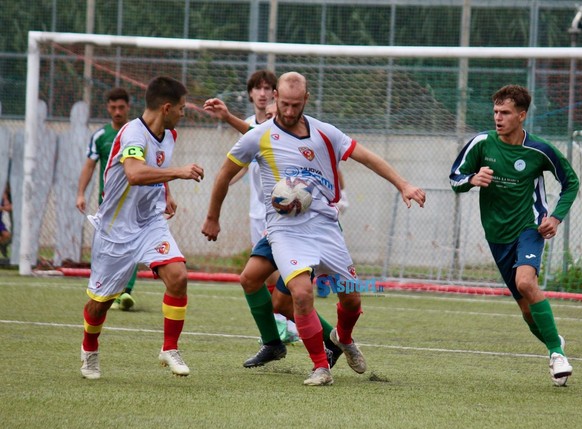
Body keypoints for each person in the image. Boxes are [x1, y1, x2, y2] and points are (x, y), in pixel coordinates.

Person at [202, 71, 426, 386]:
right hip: (284, 229)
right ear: (276, 99)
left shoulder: (326, 133)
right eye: (285, 104)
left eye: (296, 105)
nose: (290, 111)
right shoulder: (258, 135)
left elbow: (366, 157)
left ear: (306, 100)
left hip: (324, 225)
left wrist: (403, 184)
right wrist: (213, 217)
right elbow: (224, 175)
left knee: (351, 297)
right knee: (301, 294)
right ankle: (320, 366)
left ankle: (343, 337)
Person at [449, 84, 579, 386]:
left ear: (521, 116)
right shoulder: (481, 143)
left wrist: (556, 218)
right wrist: (472, 179)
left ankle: (557, 354)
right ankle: (552, 339)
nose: (498, 117)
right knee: (526, 309)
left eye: (505, 112)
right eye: (495, 111)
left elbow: (570, 182)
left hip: (529, 227)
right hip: (497, 236)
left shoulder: (539, 150)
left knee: (525, 282)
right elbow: (454, 179)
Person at [79, 76, 205, 380]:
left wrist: (167, 193)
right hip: (115, 230)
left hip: (150, 222)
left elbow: (154, 168)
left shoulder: (169, 134)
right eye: (181, 108)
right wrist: (179, 173)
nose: (184, 113)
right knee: (100, 304)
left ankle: (169, 347)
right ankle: (89, 349)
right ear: (166, 107)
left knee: (178, 276)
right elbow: (134, 173)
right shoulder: (133, 134)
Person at [204, 96, 344, 368]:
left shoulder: (303, 140)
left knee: (284, 299)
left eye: (274, 114)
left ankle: (330, 342)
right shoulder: (264, 136)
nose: (273, 120)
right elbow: (254, 135)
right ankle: (273, 343)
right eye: (268, 116)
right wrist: (229, 117)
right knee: (251, 279)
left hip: (305, 229)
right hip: (274, 224)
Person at [76, 87, 137, 311]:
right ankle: (106, 289)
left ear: (128, 107)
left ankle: (125, 293)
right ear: (108, 108)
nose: (117, 111)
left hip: (135, 202)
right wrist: (81, 193)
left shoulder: (138, 132)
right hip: (109, 205)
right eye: (113, 107)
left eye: (121, 107)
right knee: (107, 248)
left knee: (133, 246)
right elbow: (89, 166)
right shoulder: (101, 136)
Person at [0, 183, 11, 258]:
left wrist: (2, 208)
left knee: (7, 235)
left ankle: (2, 245)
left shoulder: (4, 195)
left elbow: (9, 207)